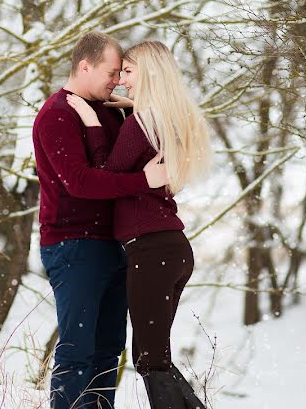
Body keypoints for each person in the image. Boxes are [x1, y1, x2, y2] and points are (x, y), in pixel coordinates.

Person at [66, 40, 212, 409]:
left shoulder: (141, 124)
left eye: (128, 72)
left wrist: (91, 122)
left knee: (149, 360)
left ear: (148, 73)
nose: (122, 82)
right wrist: (132, 111)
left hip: (151, 251)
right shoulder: (164, 118)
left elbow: (105, 176)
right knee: (155, 357)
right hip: (172, 249)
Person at [33, 32, 169, 409]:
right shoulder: (57, 114)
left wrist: (131, 105)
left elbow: (118, 160)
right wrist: (145, 181)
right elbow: (80, 182)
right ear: (84, 66)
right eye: (111, 72)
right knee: (78, 348)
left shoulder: (110, 109)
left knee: (110, 348)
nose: (117, 80)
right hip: (73, 243)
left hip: (117, 243)